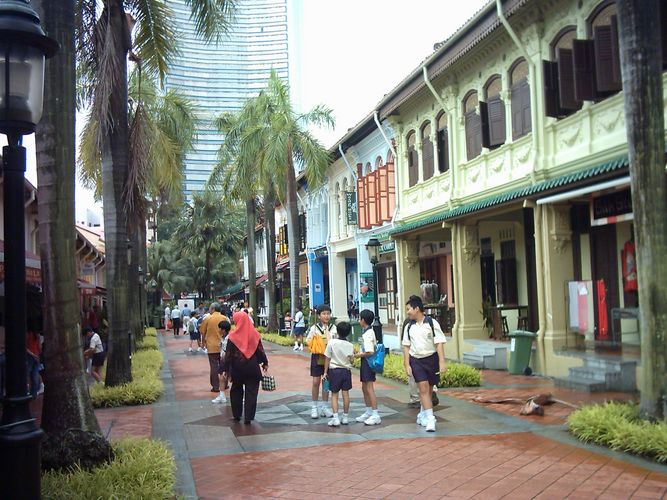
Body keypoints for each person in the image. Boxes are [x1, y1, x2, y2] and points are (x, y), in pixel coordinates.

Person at [402, 295, 447, 432]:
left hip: (431, 359)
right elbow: (406, 346)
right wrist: (407, 364)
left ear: (417, 309)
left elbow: (438, 343)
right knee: (422, 387)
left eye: (409, 309)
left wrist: (442, 361)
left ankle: (423, 412)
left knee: (428, 389)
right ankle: (431, 419)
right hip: (416, 360)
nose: (408, 312)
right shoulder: (408, 326)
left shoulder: (431, 323)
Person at [220, 312, 268, 424]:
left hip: (237, 368)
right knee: (251, 392)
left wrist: (225, 369)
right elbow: (260, 351)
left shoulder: (232, 336)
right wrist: (265, 363)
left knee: (236, 390)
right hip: (252, 367)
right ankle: (248, 417)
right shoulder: (254, 334)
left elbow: (228, 355)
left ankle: (237, 415)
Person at [306, 304, 337, 419]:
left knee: (326, 383)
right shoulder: (314, 328)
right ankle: (314, 407)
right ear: (318, 316)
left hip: (329, 358)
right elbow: (308, 341)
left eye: (328, 313)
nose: (326, 316)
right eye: (323, 314)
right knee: (315, 382)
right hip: (317, 357)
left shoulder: (333, 327)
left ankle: (324, 407)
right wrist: (314, 340)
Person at [323, 321, 354, 427]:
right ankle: (345, 417)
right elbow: (352, 360)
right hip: (346, 371)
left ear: (337, 331)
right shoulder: (350, 345)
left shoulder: (331, 343)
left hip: (334, 371)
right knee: (346, 394)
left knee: (334, 395)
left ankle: (335, 418)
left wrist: (325, 372)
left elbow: (327, 357)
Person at [353, 309, 381, 426]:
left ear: (363, 320)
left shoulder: (368, 334)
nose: (359, 320)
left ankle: (375, 414)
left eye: (359, 318)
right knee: (365, 387)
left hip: (368, 363)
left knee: (369, 388)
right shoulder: (367, 332)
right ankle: (369, 411)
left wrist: (358, 355)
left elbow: (370, 351)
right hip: (365, 362)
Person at [199, 303, 228, 392]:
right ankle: (225, 384)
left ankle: (215, 386)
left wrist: (202, 343)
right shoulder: (224, 318)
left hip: (211, 346)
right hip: (223, 346)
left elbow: (203, 332)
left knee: (214, 366)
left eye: (210, 309)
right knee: (224, 366)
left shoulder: (207, 318)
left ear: (213, 309)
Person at [212, 320, 231, 404]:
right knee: (221, 377)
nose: (218, 330)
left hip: (227, 360)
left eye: (219, 328)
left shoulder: (230, 338)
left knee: (230, 378)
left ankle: (242, 396)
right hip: (223, 360)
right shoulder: (224, 337)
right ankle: (222, 396)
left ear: (223, 329)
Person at [26, 330, 42, 398]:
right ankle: (34, 394)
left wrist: (33, 354)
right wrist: (36, 355)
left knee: (28, 375)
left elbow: (25, 347)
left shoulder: (28, 334)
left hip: (31, 356)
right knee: (34, 375)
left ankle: (30, 393)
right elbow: (39, 348)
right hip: (35, 356)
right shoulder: (36, 335)